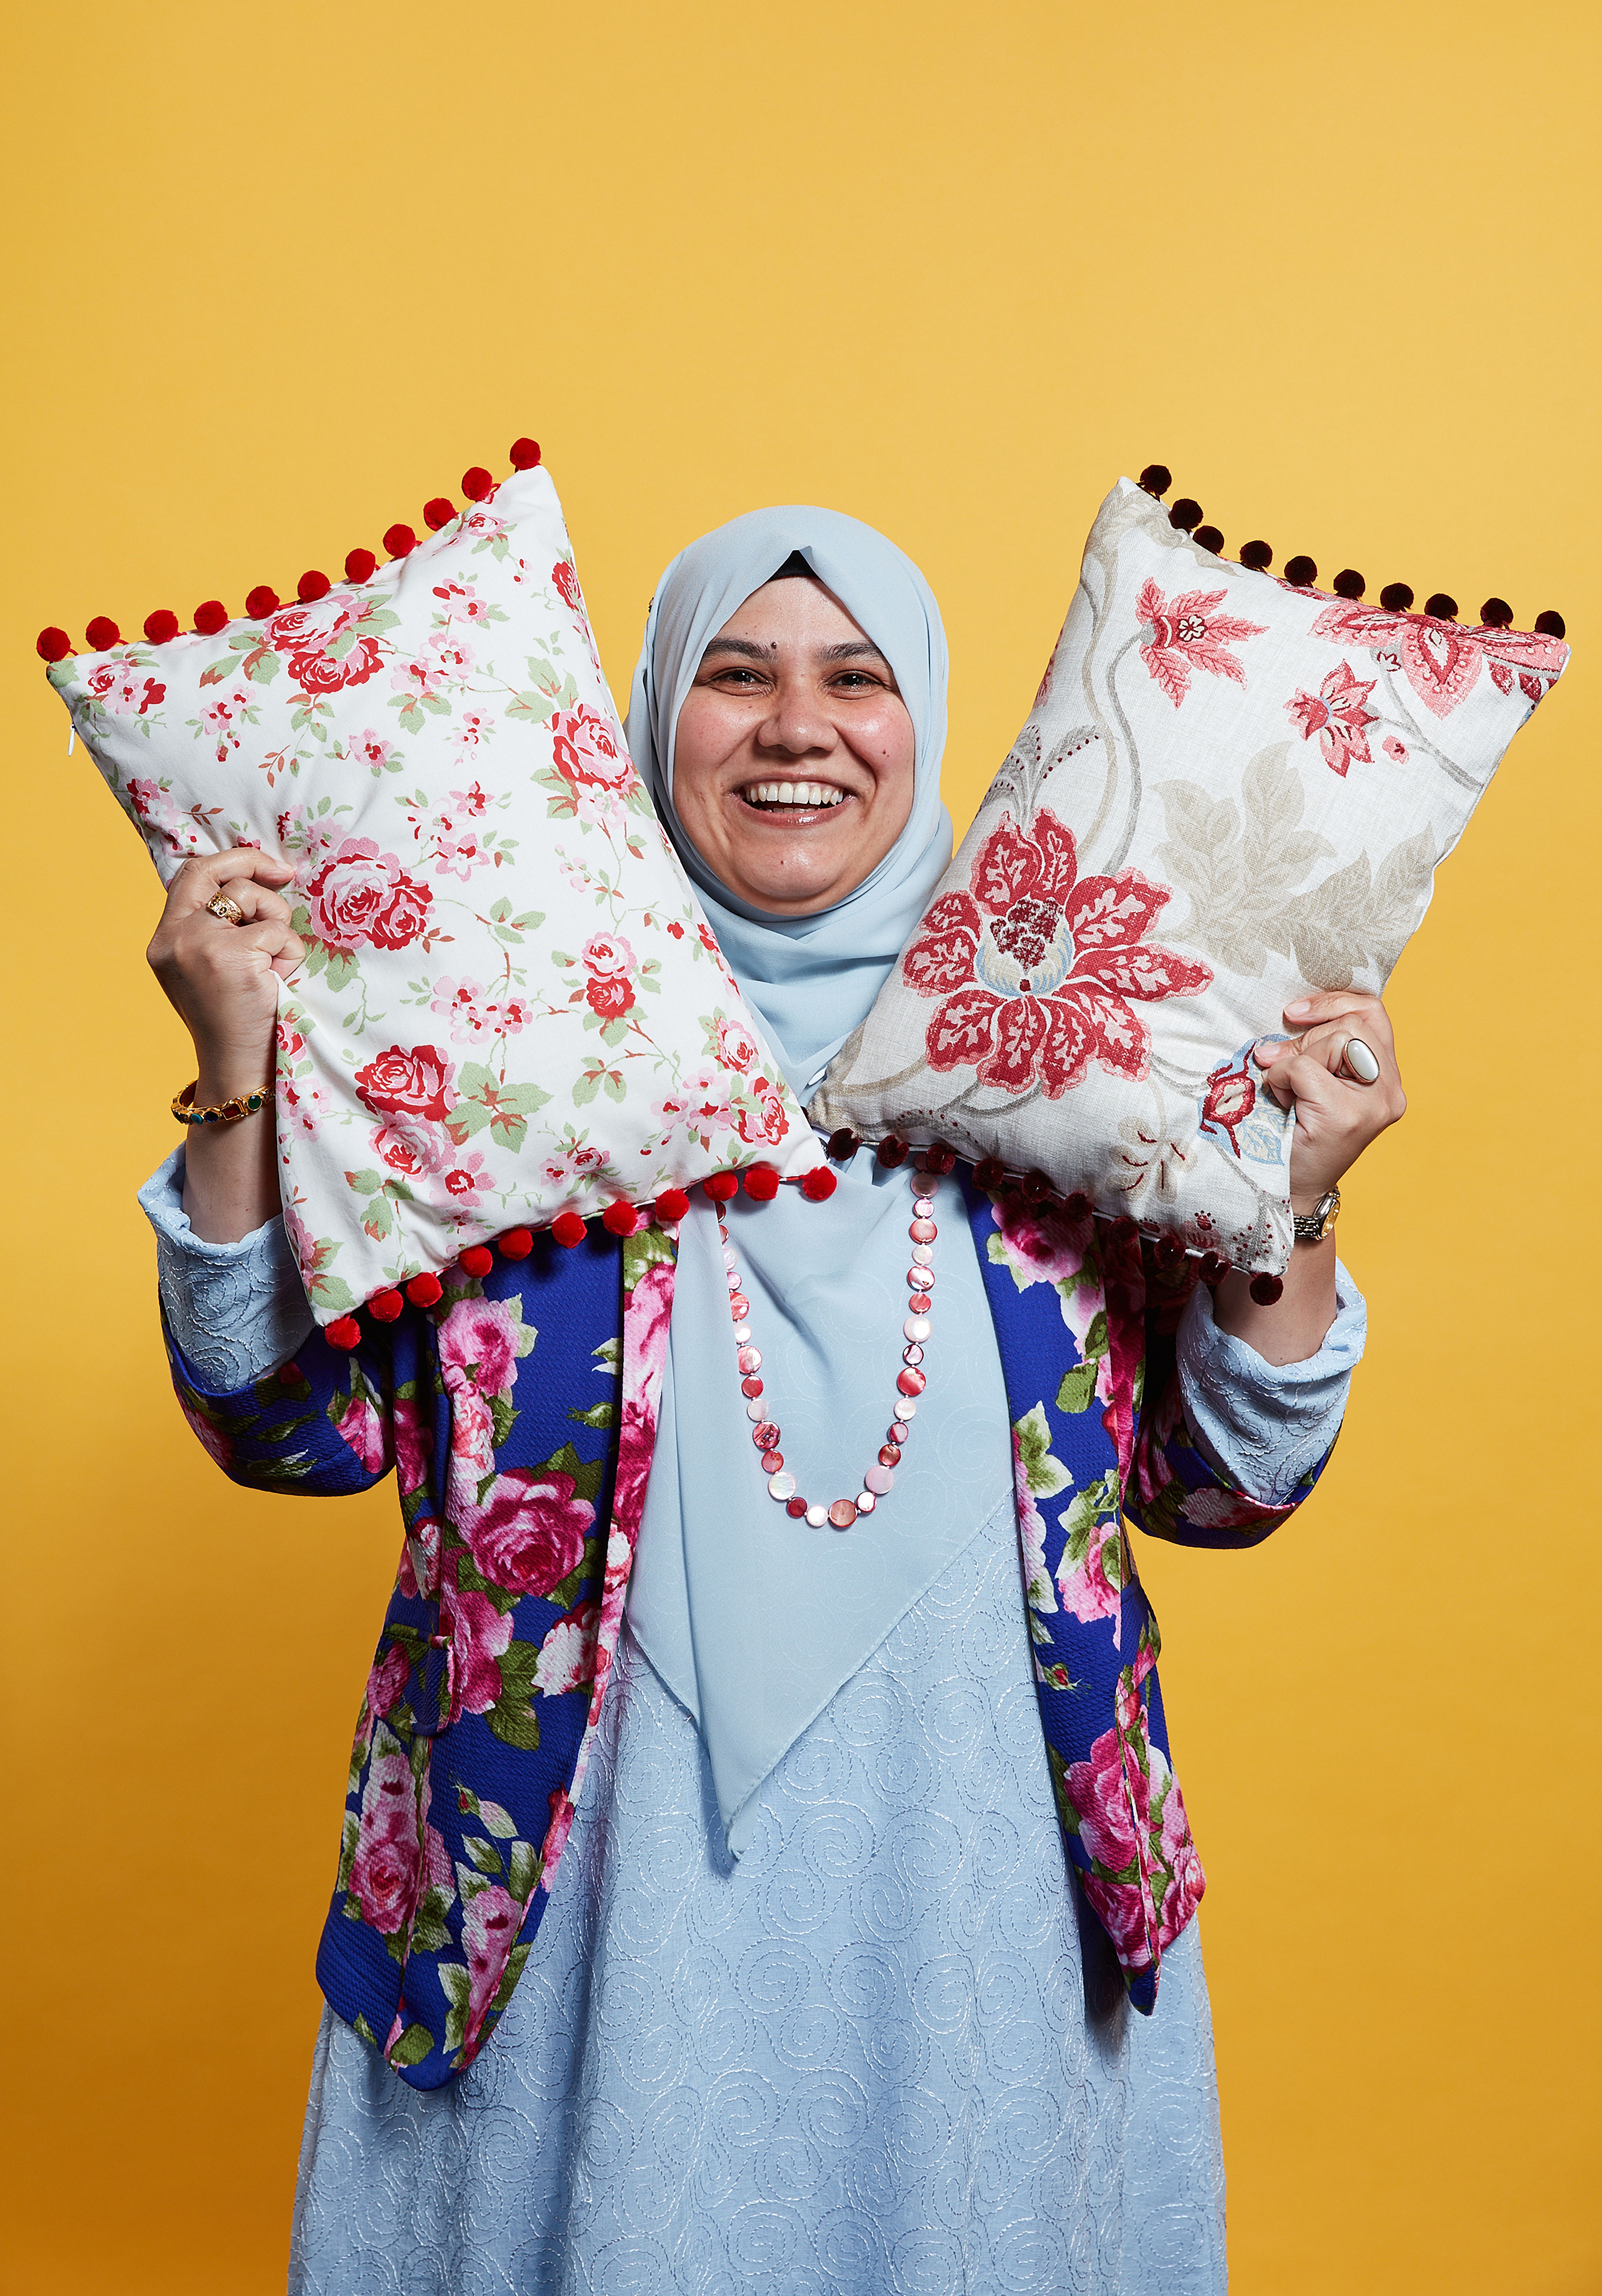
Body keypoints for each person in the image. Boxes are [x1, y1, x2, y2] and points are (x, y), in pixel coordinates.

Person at [141, 505, 1400, 2295]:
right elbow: (287, 1432)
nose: (795, 725)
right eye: (735, 675)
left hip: (980, 1912)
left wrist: (1297, 1188)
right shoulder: (495, 1065)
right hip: (576, 1920)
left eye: (854, 678)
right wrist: (239, 1077)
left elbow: (1220, 1487)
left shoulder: (1076, 1070)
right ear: (652, 723)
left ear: (929, 724)